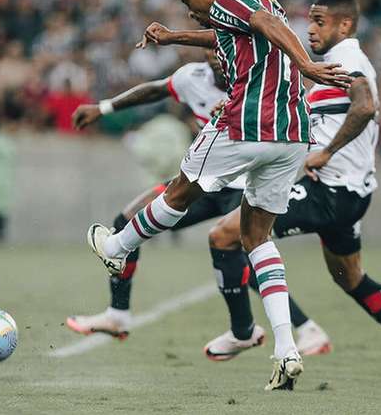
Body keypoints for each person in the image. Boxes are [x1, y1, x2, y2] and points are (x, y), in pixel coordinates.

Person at [85, 0, 350, 391]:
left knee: (179, 190)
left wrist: (305, 65)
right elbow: (233, 32)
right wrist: (173, 38)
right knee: (256, 238)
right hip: (291, 134)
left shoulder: (233, 0)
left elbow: (266, 25)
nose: (187, 5)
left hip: (246, 122)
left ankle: (117, 245)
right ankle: (286, 348)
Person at [205, 0, 381, 371]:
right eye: (309, 21)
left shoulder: (349, 59)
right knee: (350, 277)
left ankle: (244, 330)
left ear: (344, 24)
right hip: (351, 194)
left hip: (330, 191)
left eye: (319, 21)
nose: (310, 30)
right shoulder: (333, 65)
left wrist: (327, 152)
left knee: (227, 236)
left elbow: (364, 106)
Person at [68, 51, 331, 359]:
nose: (218, 57)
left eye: (223, 50)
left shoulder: (258, 77)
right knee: (126, 220)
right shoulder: (193, 77)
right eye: (212, 50)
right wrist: (104, 107)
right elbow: (156, 89)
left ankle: (304, 328)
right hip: (204, 182)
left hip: (247, 184)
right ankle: (118, 315)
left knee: (245, 254)